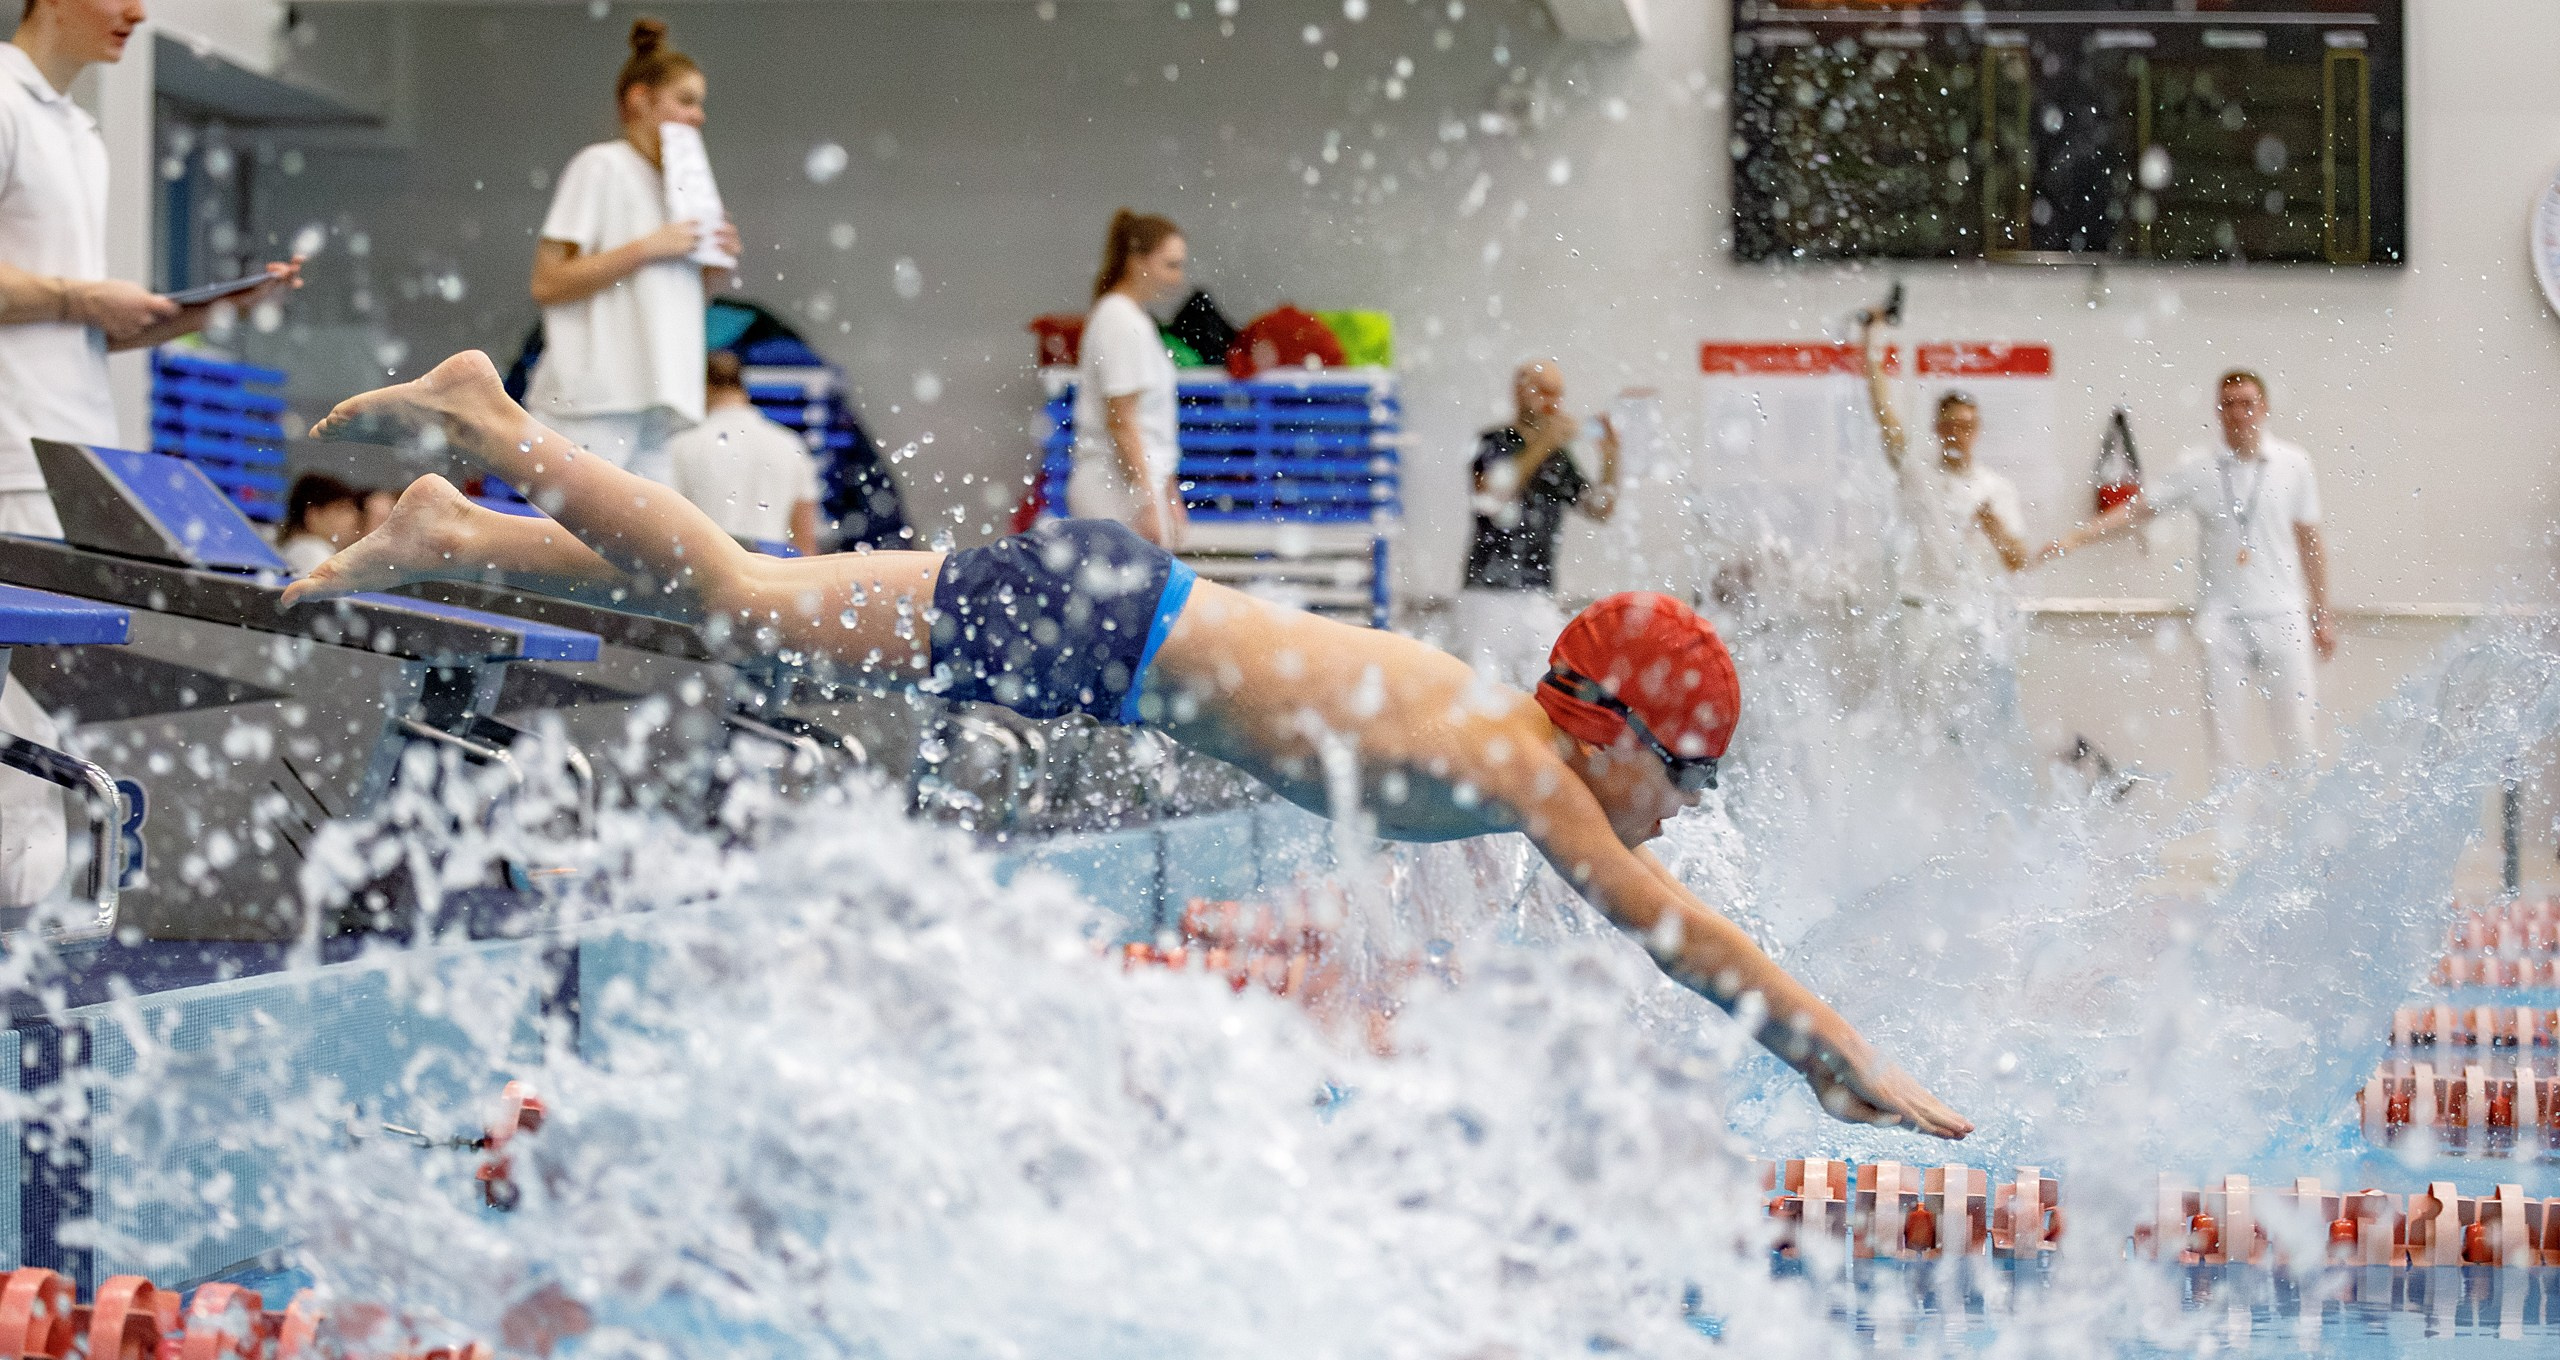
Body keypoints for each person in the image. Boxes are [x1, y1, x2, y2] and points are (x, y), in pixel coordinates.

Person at [285, 349, 1972, 1140]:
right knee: (742, 595)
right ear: (1612, 735)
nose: (1684, 808)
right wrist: (1831, 1052)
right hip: (1102, 630)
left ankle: (453, 527)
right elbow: (1665, 928)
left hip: (1106, 617)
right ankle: (498, 423)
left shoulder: (1502, 731)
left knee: (757, 601)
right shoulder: (1534, 768)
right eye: (1685, 774)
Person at [0, 0, 297, 538]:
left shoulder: (82, 136)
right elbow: (76, 303)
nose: (137, 13)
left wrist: (218, 309)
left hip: (84, 465)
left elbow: (76, 330)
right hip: (13, 466)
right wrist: (84, 299)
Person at [2042, 369, 2335, 778]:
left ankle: (2300, 813)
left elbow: (2310, 540)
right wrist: (2077, 537)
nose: (2239, 413)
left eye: (2247, 403)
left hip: (2283, 615)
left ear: (2264, 407)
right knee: (2226, 747)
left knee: (2298, 739)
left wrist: (2321, 612)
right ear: (2218, 411)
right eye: (2229, 404)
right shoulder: (2198, 467)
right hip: (2222, 621)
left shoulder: (2294, 463)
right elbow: (2138, 510)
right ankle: (2230, 819)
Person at [523, 17, 740, 487]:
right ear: (640, 100)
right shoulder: (601, 166)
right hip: (594, 399)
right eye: (685, 101)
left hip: (659, 398)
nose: (698, 117)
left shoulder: (678, 191)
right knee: (576, 532)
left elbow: (664, 301)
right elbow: (547, 282)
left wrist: (711, 265)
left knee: (645, 536)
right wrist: (647, 247)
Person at [1858, 311, 2030, 745]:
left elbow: (2017, 560)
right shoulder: (1919, 476)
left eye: (1967, 425)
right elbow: (1885, 415)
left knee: (1971, 727)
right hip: (1919, 613)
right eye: (1951, 425)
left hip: (1968, 618)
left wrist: (1992, 527)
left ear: (1978, 429)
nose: (1959, 434)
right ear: (1937, 428)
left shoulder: (1996, 489)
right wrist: (1871, 344)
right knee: (1917, 726)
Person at [1457, 359, 1618, 687]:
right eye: (1543, 391)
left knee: (1546, 691)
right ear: (1520, 391)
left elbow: (1599, 509)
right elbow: (1491, 496)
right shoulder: (1493, 441)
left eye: (1558, 394)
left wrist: (1611, 458)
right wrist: (1546, 441)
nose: (1552, 402)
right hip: (1487, 592)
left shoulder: (1557, 456)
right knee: (1484, 693)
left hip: (1538, 593)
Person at [1067, 211, 1186, 547]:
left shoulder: (1133, 318)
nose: (1178, 278)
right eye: (1170, 265)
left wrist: (1168, 492)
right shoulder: (1118, 319)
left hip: (1130, 485)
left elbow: (1153, 424)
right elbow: (1121, 419)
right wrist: (1145, 500)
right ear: (1137, 261)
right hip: (1114, 488)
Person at [665, 350, 821, 556]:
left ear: (703, 387)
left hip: (708, 566)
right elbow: (804, 540)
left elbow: (668, 529)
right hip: (772, 566)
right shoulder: (791, 445)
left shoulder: (680, 447)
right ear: (742, 386)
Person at [277, 472, 366, 576]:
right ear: (313, 515)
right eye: (341, 509)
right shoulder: (312, 553)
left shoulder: (299, 550)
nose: (353, 518)